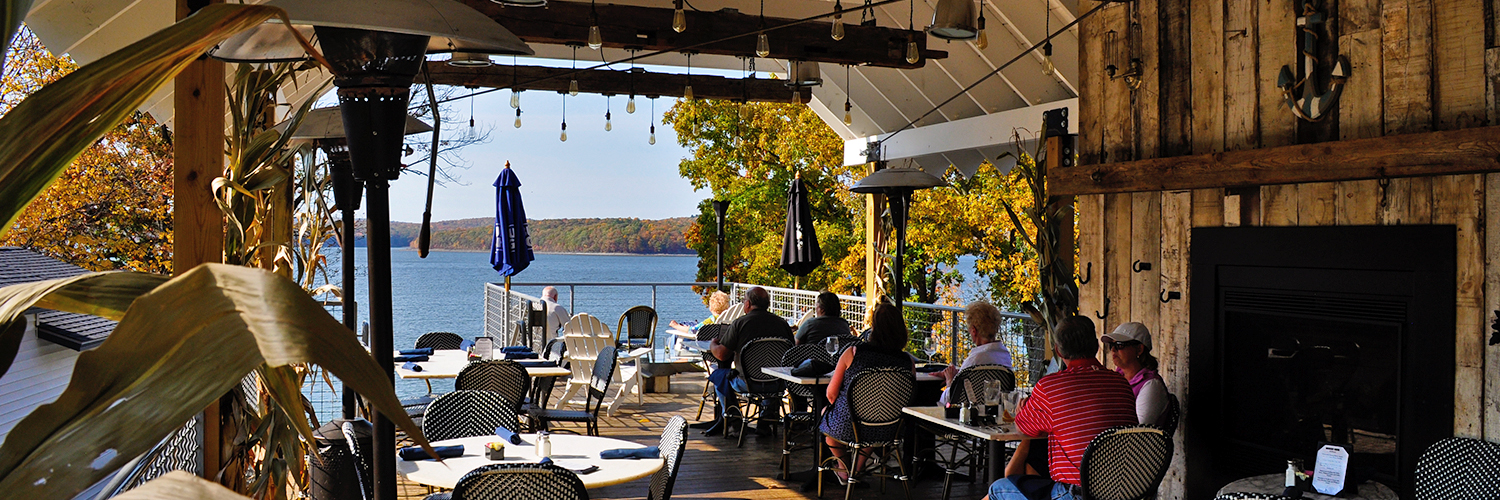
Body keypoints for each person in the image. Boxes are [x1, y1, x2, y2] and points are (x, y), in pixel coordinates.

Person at [985, 315, 1136, 500]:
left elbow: (1023, 427)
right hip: (1123, 491)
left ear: (1058, 350)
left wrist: (1024, 411)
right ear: (1096, 347)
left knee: (997, 489)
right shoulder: (1121, 384)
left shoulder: (1051, 387)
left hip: (1076, 493)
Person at [820, 297, 916, 484]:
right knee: (874, 430)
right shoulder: (907, 362)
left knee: (827, 422)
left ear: (874, 327)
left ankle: (845, 468)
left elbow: (831, 394)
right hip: (890, 428)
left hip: (850, 425)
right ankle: (857, 467)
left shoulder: (853, 352)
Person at [703, 287, 793, 436]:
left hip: (747, 383)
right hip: (778, 383)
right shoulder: (782, 324)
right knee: (772, 377)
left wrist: (713, 344)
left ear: (748, 304)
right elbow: (791, 355)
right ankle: (766, 421)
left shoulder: (740, 324)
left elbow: (722, 355)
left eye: (744, 300)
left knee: (719, 375)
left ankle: (734, 422)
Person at [938, 301, 1014, 406]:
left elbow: (949, 400)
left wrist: (950, 380)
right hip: (995, 413)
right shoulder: (1004, 355)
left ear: (974, 331)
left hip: (969, 415)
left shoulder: (974, 360)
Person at [1104, 322, 1170, 426]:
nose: (1113, 350)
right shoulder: (1117, 377)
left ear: (1139, 349)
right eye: (1111, 345)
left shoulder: (1151, 385)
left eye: (1119, 345)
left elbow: (1138, 429)